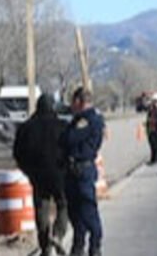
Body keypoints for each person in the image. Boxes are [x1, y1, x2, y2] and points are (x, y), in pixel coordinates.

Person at [13, 94, 69, 256]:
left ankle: (45, 246)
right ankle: (58, 234)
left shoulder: (26, 128)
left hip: (37, 174)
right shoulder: (62, 126)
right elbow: (70, 148)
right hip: (59, 172)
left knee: (41, 207)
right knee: (63, 204)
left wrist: (28, 170)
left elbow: (17, 153)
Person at [61, 87, 105, 256]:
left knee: (87, 210)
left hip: (82, 170)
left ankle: (95, 246)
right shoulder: (80, 119)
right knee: (75, 212)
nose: (71, 106)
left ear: (80, 102)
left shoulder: (87, 120)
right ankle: (78, 246)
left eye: (73, 102)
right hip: (73, 171)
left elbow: (69, 138)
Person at [145, 94, 157, 165]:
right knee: (152, 145)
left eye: (155, 101)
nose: (154, 103)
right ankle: (153, 158)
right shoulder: (151, 109)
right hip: (150, 129)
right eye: (153, 101)